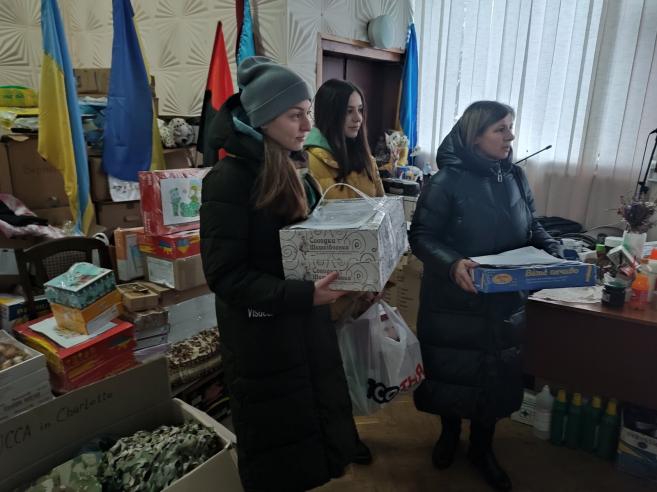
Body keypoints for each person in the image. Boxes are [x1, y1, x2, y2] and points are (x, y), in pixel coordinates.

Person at [200, 56, 358, 492]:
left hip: (304, 331)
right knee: (278, 454)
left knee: (310, 441)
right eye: (294, 115)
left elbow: (304, 248)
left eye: (307, 112)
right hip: (264, 342)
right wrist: (303, 296)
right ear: (263, 118)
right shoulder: (228, 181)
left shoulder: (293, 170)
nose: (307, 125)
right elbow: (225, 276)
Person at [409, 101, 560, 491]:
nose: (511, 136)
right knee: (451, 372)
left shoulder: (516, 176)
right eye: (501, 129)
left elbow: (531, 225)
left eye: (511, 127)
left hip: (504, 301)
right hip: (454, 301)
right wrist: (453, 263)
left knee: (494, 376)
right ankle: (448, 435)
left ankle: (481, 448)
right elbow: (421, 236)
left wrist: (553, 250)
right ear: (475, 135)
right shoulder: (445, 181)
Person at [305, 78, 384, 199]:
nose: (358, 118)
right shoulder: (307, 162)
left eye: (360, 110)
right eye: (349, 111)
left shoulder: (367, 160)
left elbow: (382, 206)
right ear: (329, 114)